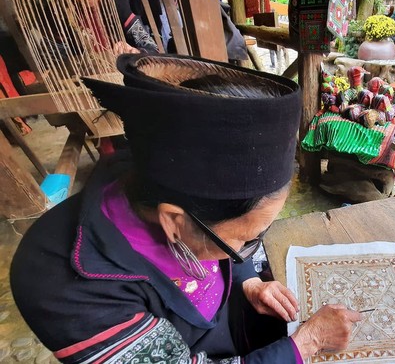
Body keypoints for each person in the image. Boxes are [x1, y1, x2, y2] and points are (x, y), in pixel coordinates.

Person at [10, 54, 361, 363]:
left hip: (226, 328)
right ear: (173, 222)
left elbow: (225, 241)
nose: (247, 253)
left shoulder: (172, 178)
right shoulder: (69, 289)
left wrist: (249, 281)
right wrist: (307, 343)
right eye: (247, 239)